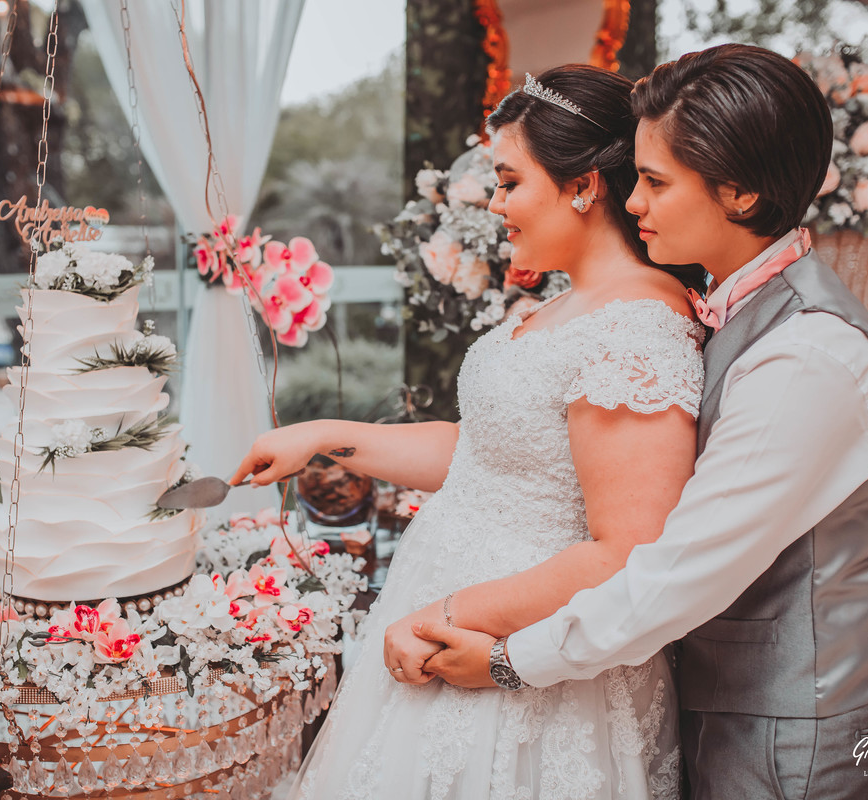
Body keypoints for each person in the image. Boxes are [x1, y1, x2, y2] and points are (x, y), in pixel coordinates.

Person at [412, 44, 868, 800]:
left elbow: (682, 572)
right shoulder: (733, 310)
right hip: (739, 709)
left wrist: (510, 660)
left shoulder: (807, 355)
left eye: (654, 182)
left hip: (802, 737)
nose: (632, 202)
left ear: (740, 193)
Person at [230, 64, 707, 799]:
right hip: (458, 617)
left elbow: (626, 553)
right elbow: (486, 454)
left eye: (509, 182)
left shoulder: (636, 328)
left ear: (583, 185)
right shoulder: (568, 304)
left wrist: (446, 615)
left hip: (524, 650)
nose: (495, 203)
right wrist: (322, 435)